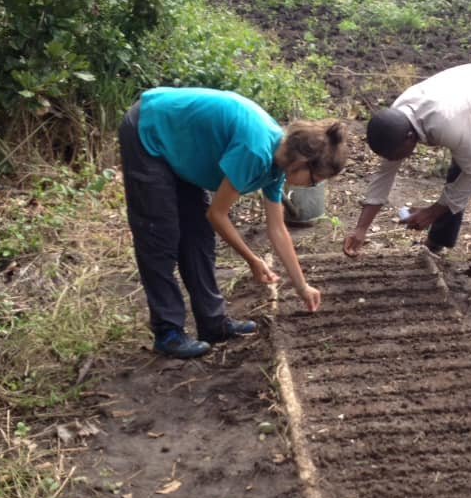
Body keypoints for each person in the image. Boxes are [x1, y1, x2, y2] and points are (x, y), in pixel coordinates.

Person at [119, 86, 348, 358]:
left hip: (179, 144)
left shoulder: (277, 166)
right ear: (302, 161)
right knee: (160, 236)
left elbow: (277, 229)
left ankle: (213, 323)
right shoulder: (256, 152)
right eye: (314, 180)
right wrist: (252, 259)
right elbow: (217, 215)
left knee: (198, 237)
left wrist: (302, 286)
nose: (311, 186)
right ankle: (168, 332)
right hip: (151, 130)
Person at [343, 63, 471, 309]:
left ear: (409, 137)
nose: (394, 159)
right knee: (459, 171)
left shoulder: (445, 122)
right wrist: (361, 229)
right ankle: (438, 242)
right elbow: (384, 174)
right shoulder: (395, 121)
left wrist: (432, 212)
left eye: (396, 154)